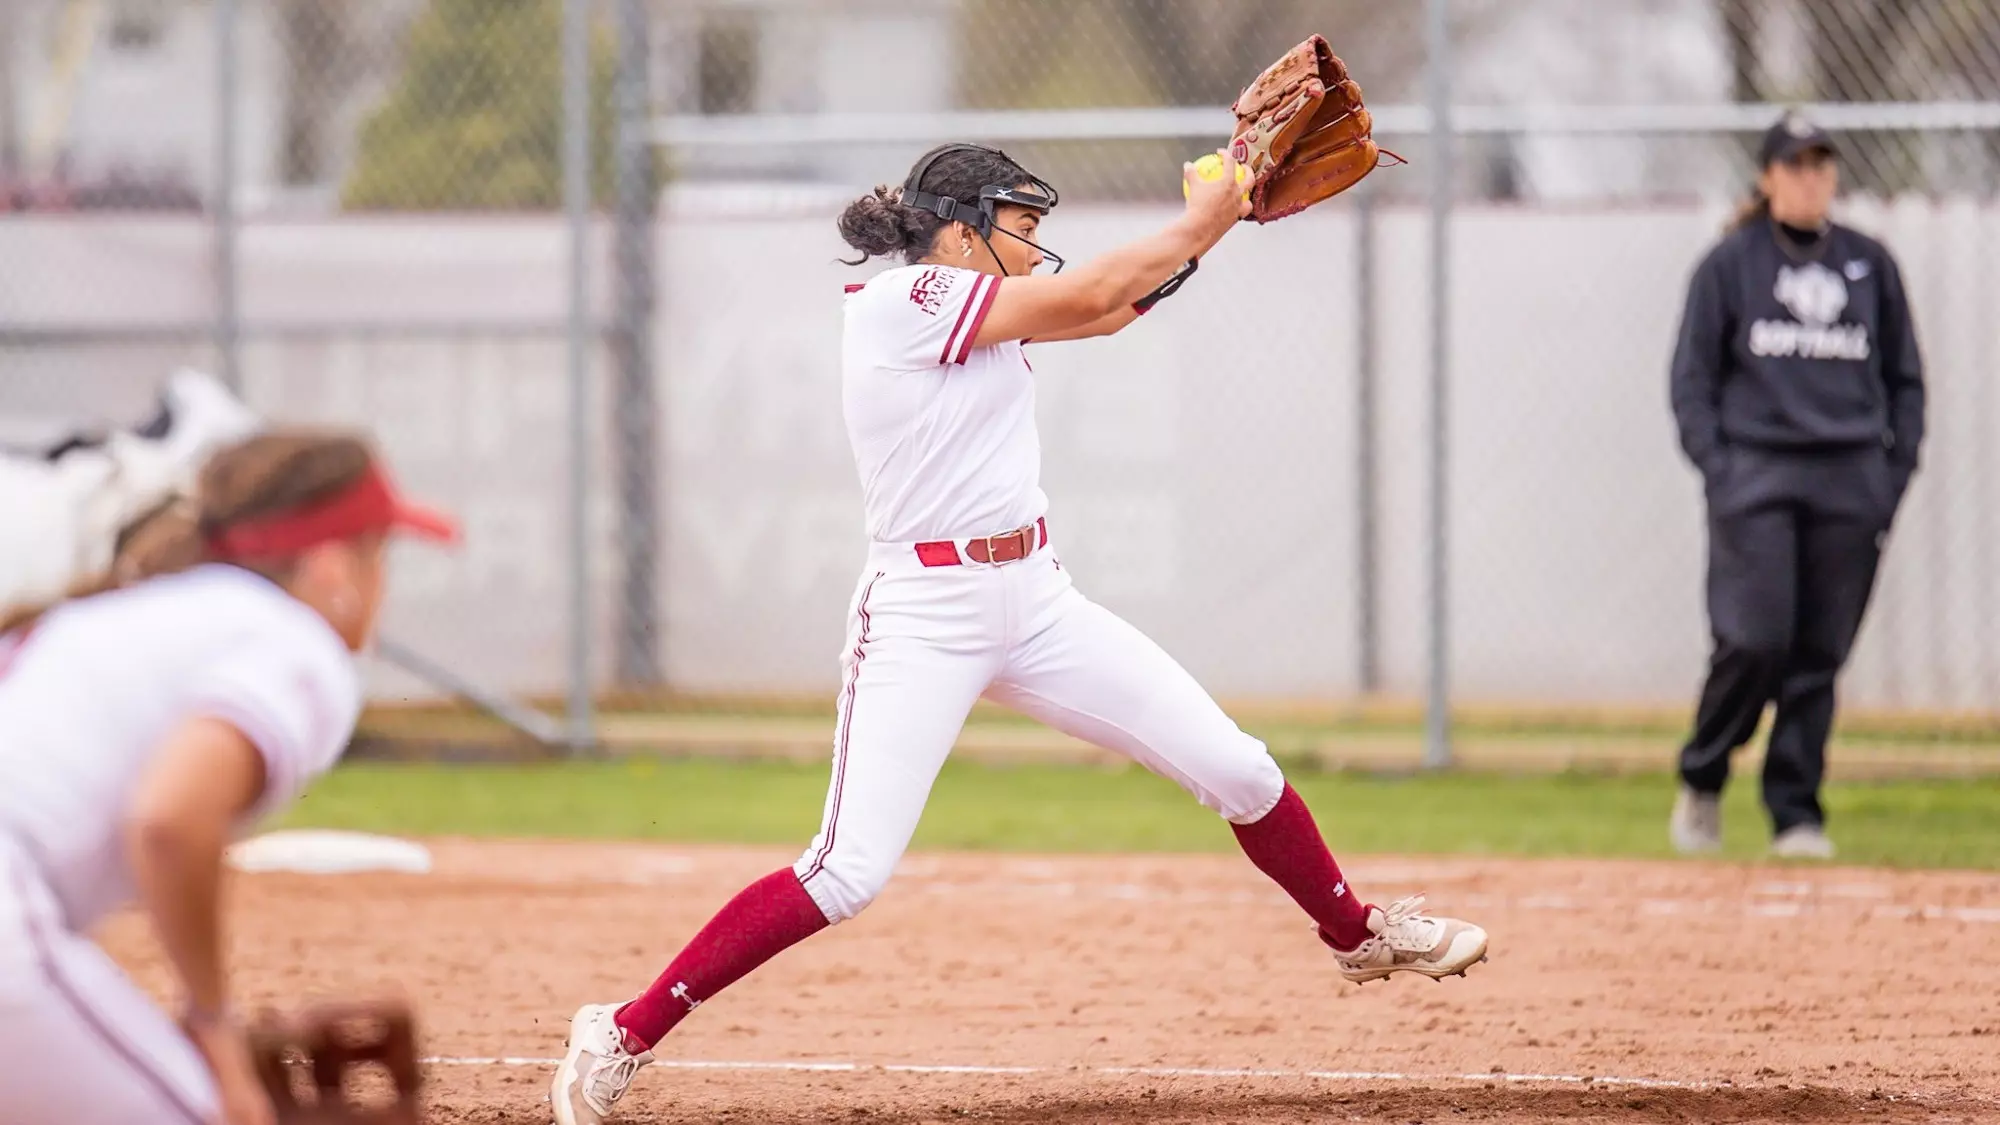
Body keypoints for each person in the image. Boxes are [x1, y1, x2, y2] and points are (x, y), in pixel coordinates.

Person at [549, 142, 1489, 1125]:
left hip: (1034, 601)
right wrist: (1212, 212)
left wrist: (1214, 225)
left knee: (1240, 770)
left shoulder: (977, 313)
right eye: (1018, 226)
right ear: (957, 233)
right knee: (845, 871)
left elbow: (1113, 308)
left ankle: (1353, 934)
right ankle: (619, 1030)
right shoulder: (903, 301)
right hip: (923, 612)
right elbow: (1090, 297)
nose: (1035, 248)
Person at [0, 431, 457, 1125]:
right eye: (378, 554)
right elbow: (170, 818)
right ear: (332, 568)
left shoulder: (146, 608)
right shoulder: (294, 640)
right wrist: (212, 1025)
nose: (383, 582)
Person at [1667, 112, 1926, 860]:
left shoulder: (1869, 264)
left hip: (1850, 480)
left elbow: (1905, 380)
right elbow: (1692, 380)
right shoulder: (1731, 265)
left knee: (1818, 652)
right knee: (1754, 638)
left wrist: (1890, 475)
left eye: (1821, 163)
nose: (1811, 176)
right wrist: (1720, 469)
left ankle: (1795, 811)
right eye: (1795, 163)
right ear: (1767, 176)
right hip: (1757, 476)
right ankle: (1705, 772)